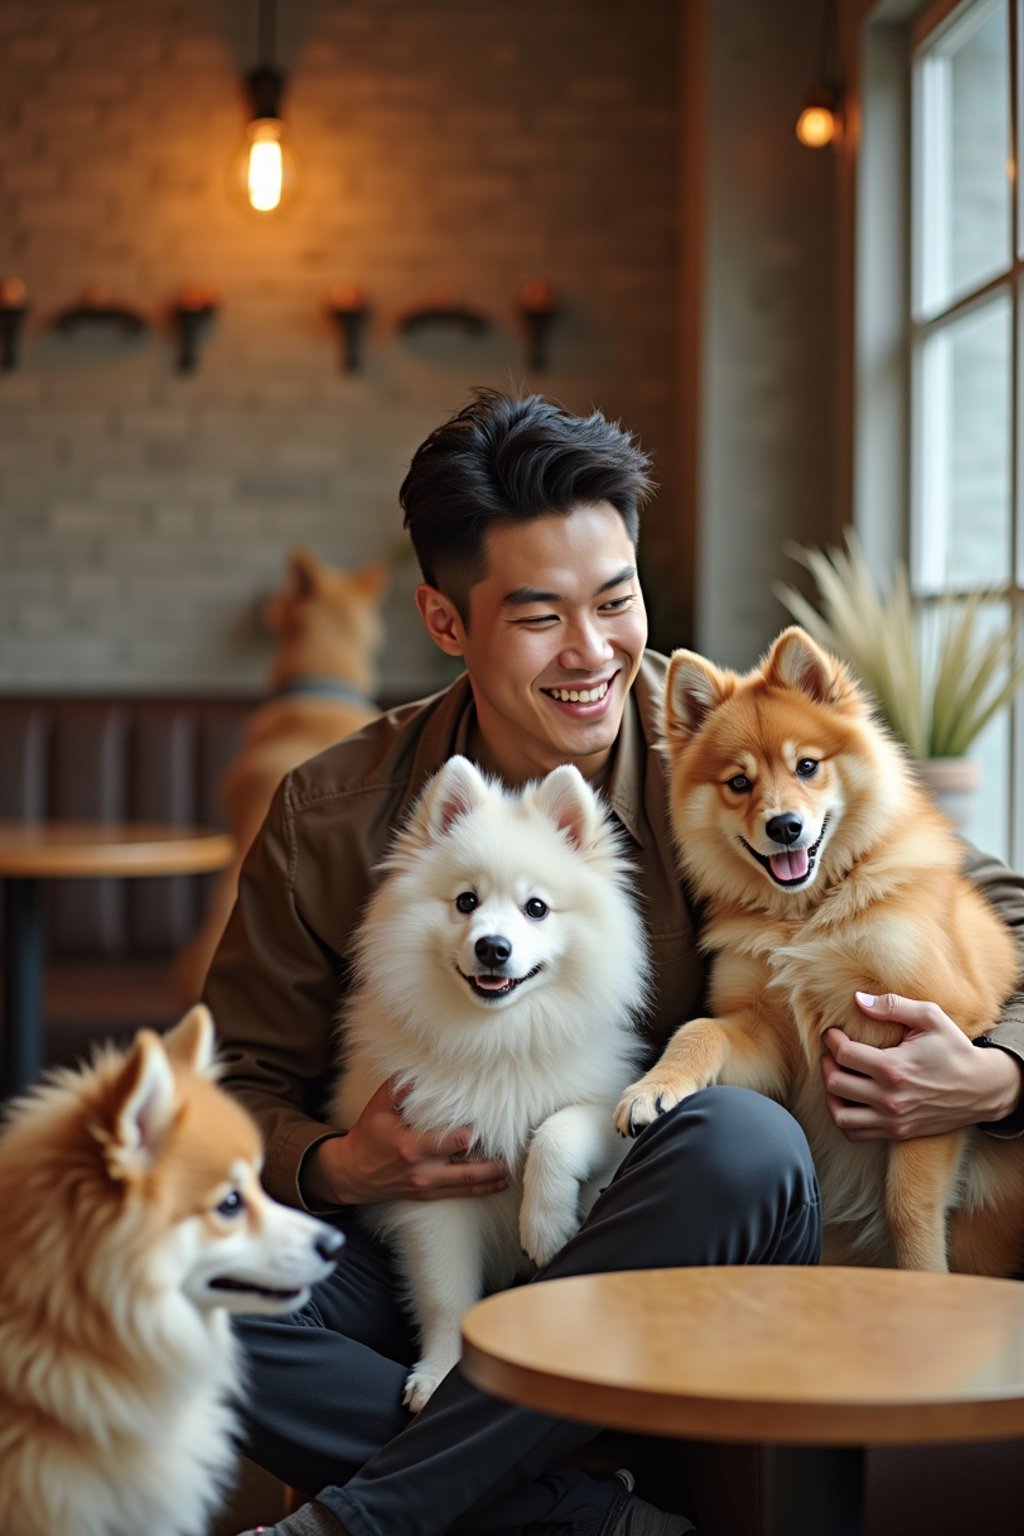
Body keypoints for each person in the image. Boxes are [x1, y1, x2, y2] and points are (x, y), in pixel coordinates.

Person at [206, 390, 1024, 1536]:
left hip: (662, 1249)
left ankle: (376, 1518)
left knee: (741, 1140)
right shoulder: (335, 813)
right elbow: (232, 1079)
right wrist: (339, 1163)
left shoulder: (730, 759)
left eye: (616, 599)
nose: (591, 653)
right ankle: (586, 1512)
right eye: (539, 616)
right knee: (165, 1280)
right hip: (420, 1248)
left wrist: (1000, 1075)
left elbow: (993, 909)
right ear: (446, 621)